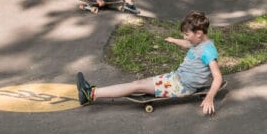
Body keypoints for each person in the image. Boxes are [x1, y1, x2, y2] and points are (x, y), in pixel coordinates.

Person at [77, 11, 222, 115]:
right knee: (139, 83)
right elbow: (187, 44)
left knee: (137, 86)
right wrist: (174, 40)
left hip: (181, 86)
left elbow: (218, 77)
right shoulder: (197, 42)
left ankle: (91, 93)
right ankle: (92, 93)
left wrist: (209, 97)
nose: (185, 37)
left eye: (187, 34)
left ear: (199, 33)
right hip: (175, 78)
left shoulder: (208, 51)